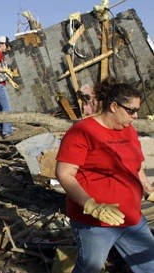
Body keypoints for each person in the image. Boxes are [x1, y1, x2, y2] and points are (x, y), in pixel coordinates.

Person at [55, 77, 154, 273]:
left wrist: (148, 190)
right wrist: (92, 206)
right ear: (114, 106)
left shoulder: (128, 130)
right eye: (131, 110)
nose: (135, 116)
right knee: (89, 268)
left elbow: (137, 165)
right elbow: (64, 174)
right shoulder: (82, 132)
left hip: (131, 216)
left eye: (137, 110)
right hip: (96, 223)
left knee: (150, 263)